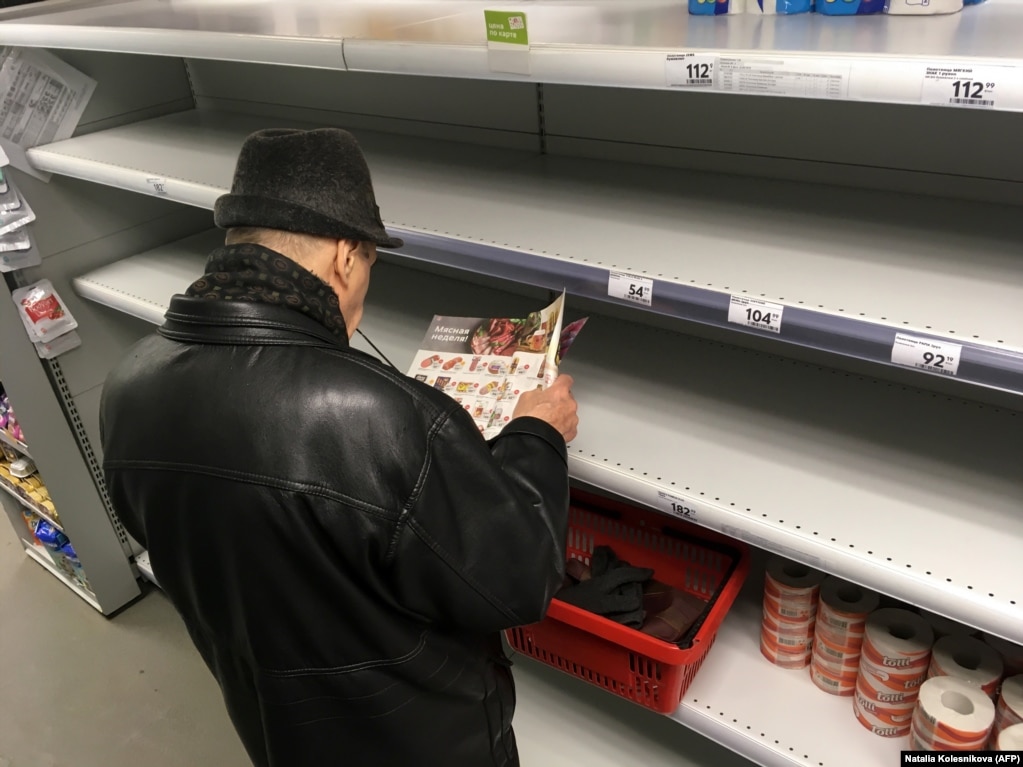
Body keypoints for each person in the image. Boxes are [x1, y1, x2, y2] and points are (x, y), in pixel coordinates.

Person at [100, 128, 579, 767]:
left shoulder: (127, 383)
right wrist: (536, 435)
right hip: (422, 743)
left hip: (272, 727)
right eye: (369, 268)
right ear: (345, 257)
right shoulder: (383, 418)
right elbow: (518, 580)